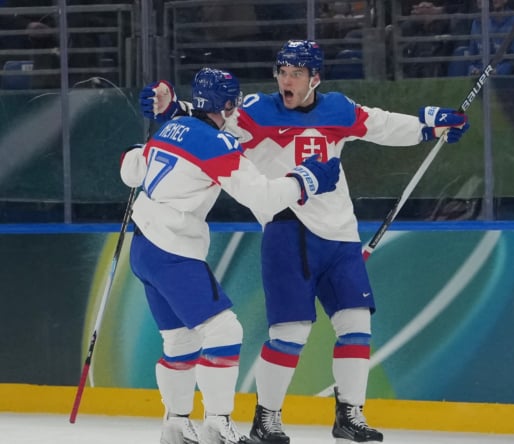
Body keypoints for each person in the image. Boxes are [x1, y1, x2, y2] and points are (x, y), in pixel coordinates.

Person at [140, 39, 470, 444]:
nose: (287, 81)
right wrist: (173, 108)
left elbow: (381, 124)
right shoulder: (256, 111)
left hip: (340, 235)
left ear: (315, 78)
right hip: (288, 231)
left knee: (357, 325)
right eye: (282, 72)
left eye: (296, 73)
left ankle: (350, 414)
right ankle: (267, 418)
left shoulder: (339, 109)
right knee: (291, 333)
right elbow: (212, 120)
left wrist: (429, 126)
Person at [124, 67, 341, 444]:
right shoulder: (215, 143)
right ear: (226, 104)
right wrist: (307, 180)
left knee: (180, 341)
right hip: (173, 248)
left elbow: (131, 172)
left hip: (143, 247)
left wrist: (135, 147)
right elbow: (263, 198)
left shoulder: (170, 128)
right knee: (225, 330)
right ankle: (216, 423)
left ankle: (175, 423)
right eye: (233, 103)